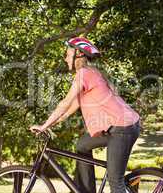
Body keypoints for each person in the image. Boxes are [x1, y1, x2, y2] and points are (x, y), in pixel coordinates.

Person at [30, 37, 140, 193]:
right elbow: (71, 108)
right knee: (82, 145)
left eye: (67, 54)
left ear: (79, 55)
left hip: (123, 128)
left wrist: (43, 126)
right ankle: (87, 190)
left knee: (115, 182)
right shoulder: (90, 73)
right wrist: (51, 125)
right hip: (121, 126)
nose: (65, 58)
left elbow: (64, 103)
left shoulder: (84, 74)